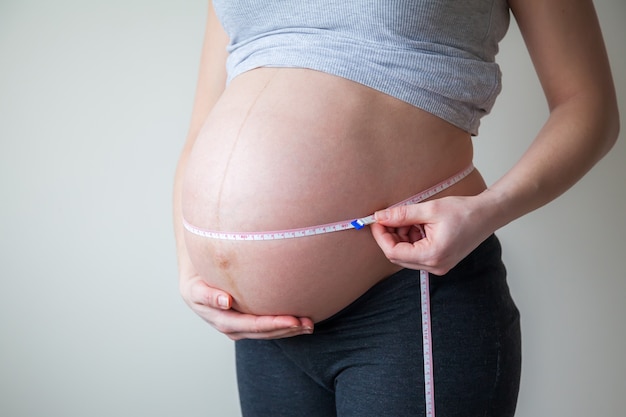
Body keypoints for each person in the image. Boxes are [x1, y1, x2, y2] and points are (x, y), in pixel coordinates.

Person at [173, 0, 619, 415]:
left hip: (408, 297)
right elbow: (201, 127)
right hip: (255, 328)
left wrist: (487, 210)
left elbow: (589, 107)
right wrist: (189, 265)